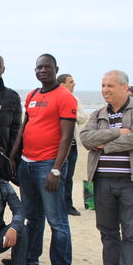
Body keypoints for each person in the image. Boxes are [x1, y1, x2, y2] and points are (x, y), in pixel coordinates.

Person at [80, 70, 133, 265]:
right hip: (102, 181)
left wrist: (105, 145)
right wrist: (117, 132)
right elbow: (85, 138)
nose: (105, 90)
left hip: (131, 180)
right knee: (107, 230)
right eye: (103, 85)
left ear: (125, 88)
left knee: (132, 231)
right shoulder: (99, 113)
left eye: (110, 86)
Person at [9, 54, 76, 265]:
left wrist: (56, 170)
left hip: (48, 164)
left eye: (47, 67)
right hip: (27, 163)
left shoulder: (65, 97)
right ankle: (30, 257)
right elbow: (24, 128)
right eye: (39, 67)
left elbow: (66, 136)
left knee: (56, 218)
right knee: (31, 216)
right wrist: (13, 157)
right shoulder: (32, 95)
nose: (43, 70)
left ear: (56, 69)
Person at [58, 74, 88, 216]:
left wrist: (71, 114)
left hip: (72, 143)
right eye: (71, 82)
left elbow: (83, 117)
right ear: (62, 84)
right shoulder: (55, 98)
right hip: (57, 144)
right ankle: (56, 205)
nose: (74, 84)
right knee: (57, 176)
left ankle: (68, 205)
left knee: (68, 176)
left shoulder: (74, 99)